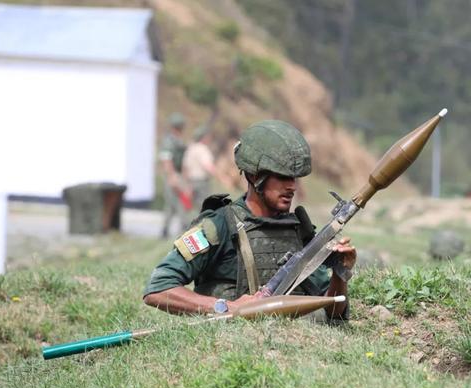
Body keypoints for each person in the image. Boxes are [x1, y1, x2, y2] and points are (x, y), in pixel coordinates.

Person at [144, 120, 355, 319]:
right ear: (255, 176)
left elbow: (334, 312)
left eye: (294, 178)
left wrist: (340, 273)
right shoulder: (218, 226)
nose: (291, 186)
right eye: (282, 177)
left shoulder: (298, 231)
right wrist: (227, 307)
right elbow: (158, 289)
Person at [182, 125, 236, 210]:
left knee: (193, 207)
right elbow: (208, 166)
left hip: (192, 181)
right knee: (204, 208)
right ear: (203, 137)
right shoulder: (203, 149)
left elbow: (185, 167)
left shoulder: (191, 148)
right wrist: (222, 177)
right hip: (201, 182)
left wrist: (187, 184)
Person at [159, 112, 191, 238]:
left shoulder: (176, 140)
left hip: (177, 174)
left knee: (175, 203)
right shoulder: (169, 141)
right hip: (172, 175)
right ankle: (180, 227)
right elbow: (167, 161)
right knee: (175, 202)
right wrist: (172, 177)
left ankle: (168, 229)